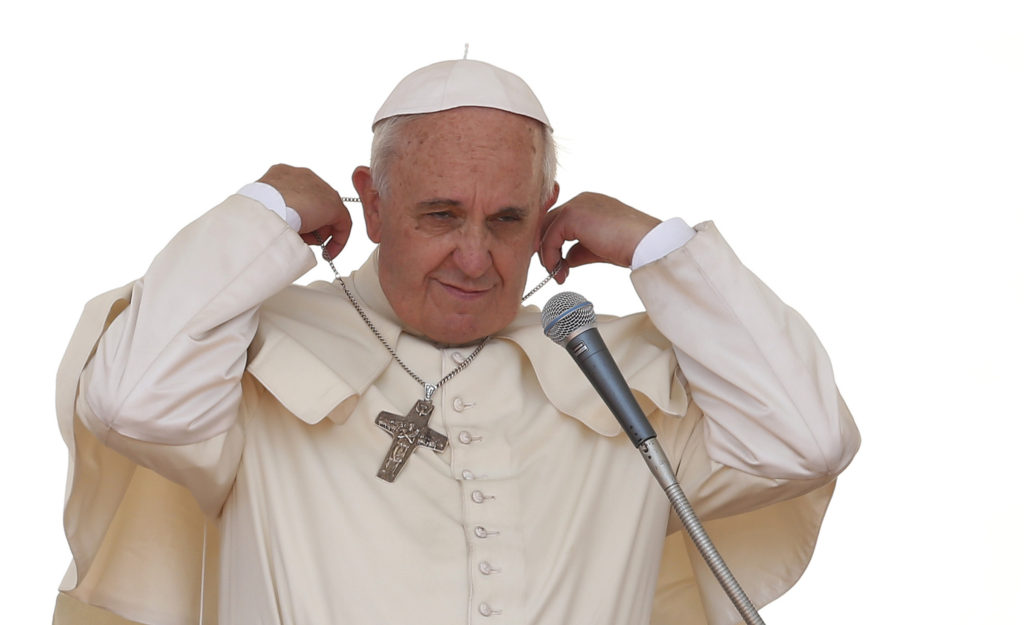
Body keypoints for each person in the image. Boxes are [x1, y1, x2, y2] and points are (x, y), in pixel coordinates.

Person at [54, 59, 860, 625]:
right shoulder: (248, 351)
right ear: (371, 202)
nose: (475, 258)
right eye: (440, 215)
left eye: (508, 220)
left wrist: (660, 250)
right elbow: (132, 402)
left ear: (546, 210)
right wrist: (262, 210)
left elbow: (804, 440)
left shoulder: (612, 372)